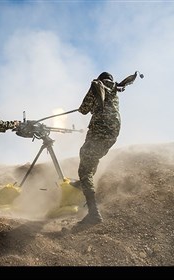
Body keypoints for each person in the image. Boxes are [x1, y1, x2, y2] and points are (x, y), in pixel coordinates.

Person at [74, 71, 127, 225]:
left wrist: (82, 109)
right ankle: (83, 182)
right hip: (113, 133)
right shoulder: (115, 90)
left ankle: (93, 214)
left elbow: (84, 109)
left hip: (99, 130)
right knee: (90, 156)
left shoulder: (97, 85)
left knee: (85, 167)